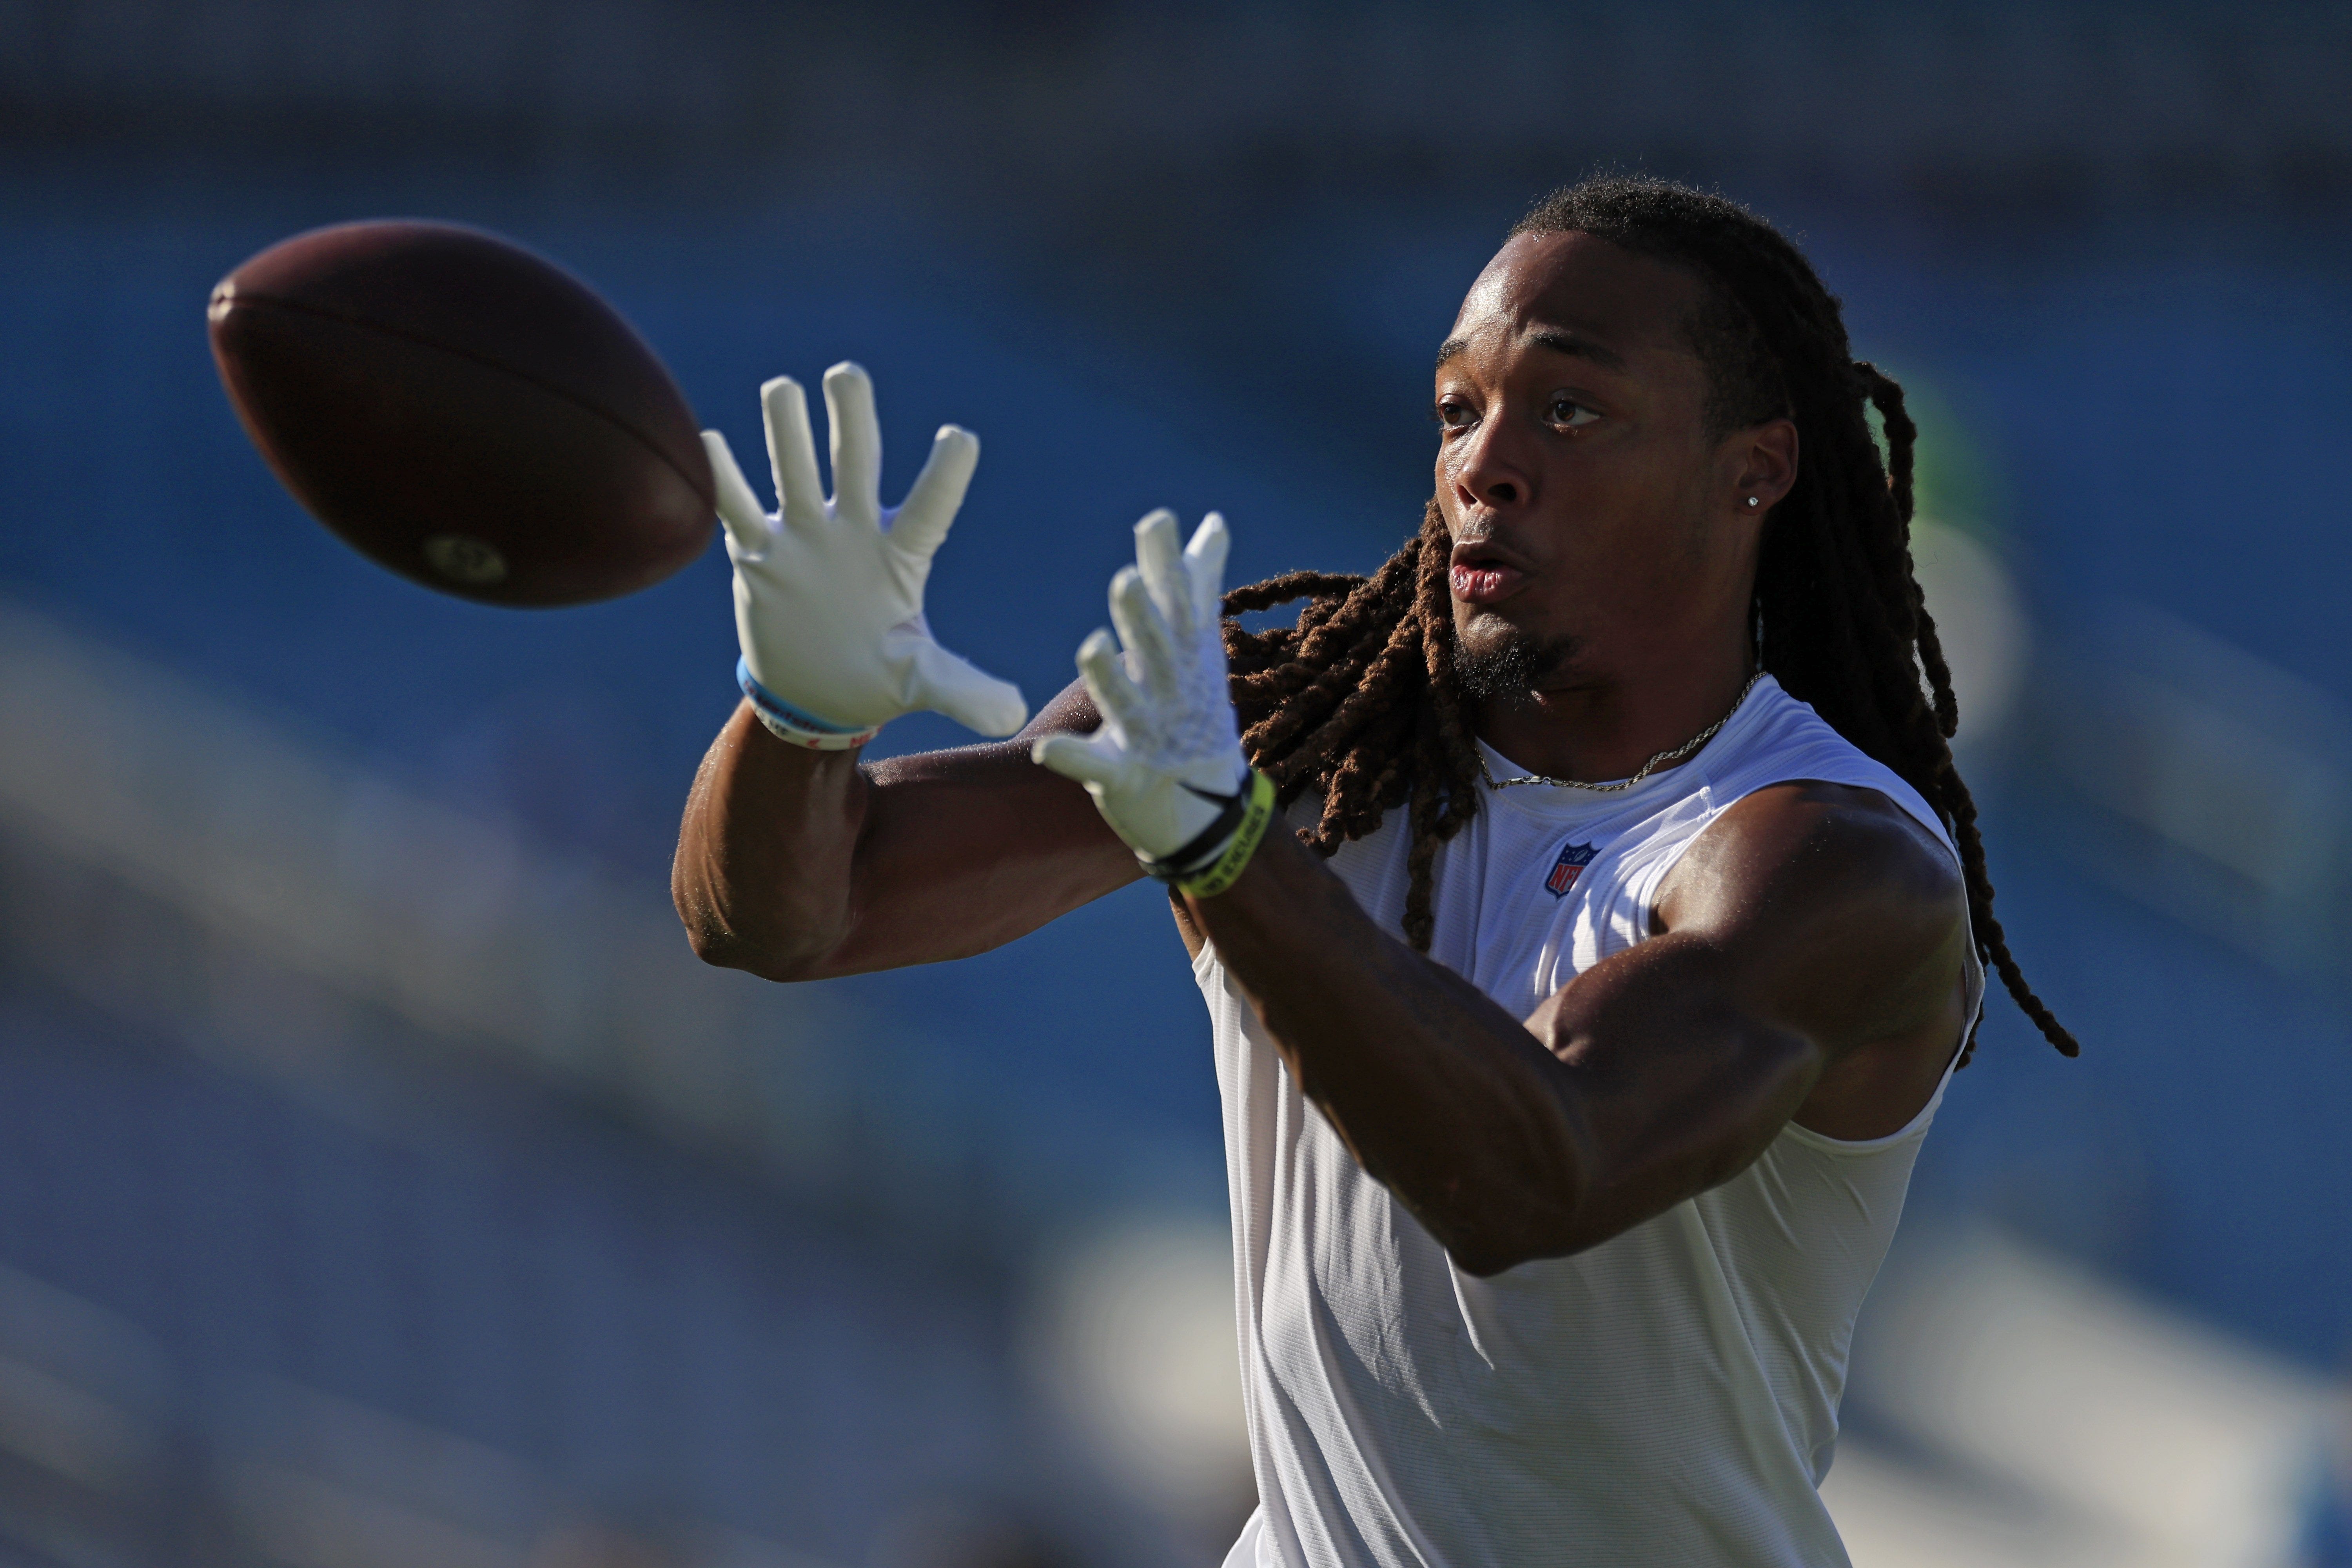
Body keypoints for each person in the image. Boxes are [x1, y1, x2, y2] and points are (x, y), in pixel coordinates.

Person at [672, 176, 2077, 1568]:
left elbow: (1534, 1175)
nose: (1485, 462)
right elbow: (797, 914)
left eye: (1570, 410)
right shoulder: (1293, 727)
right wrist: (796, 717)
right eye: (1459, 411)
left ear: (1752, 468)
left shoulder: (1830, 858)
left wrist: (1229, 856)